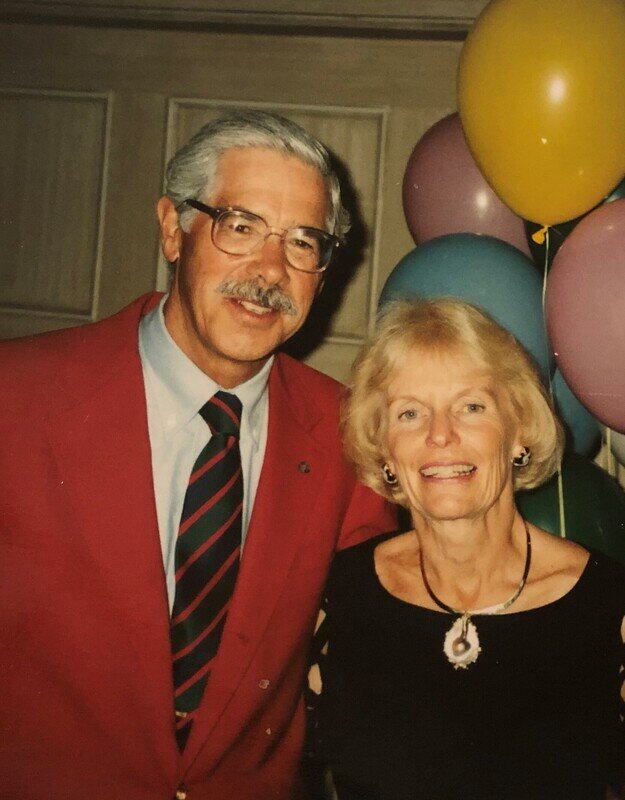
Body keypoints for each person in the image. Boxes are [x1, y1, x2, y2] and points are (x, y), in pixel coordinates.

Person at [0, 110, 395, 800]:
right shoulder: (18, 399)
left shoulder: (349, 435)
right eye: (240, 226)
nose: (270, 270)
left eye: (302, 242)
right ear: (171, 229)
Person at [319, 297, 625, 800]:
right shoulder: (340, 593)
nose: (440, 435)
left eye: (471, 407)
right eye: (410, 413)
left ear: (518, 432)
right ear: (384, 449)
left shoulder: (610, 606)